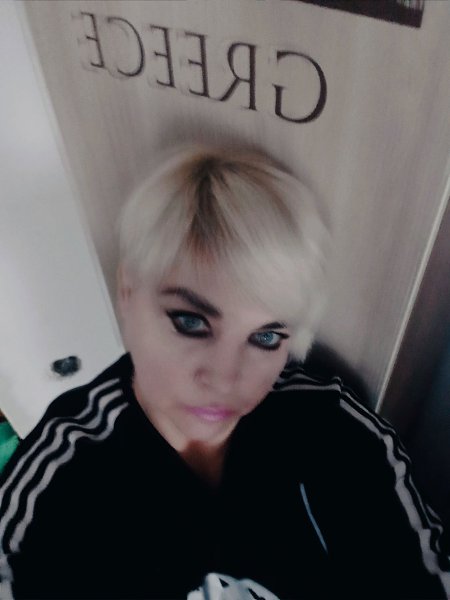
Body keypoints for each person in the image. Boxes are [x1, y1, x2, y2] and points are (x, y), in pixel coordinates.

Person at [0, 144, 448, 599]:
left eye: (266, 336)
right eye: (190, 322)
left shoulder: (332, 430)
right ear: (128, 291)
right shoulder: (60, 486)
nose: (226, 379)